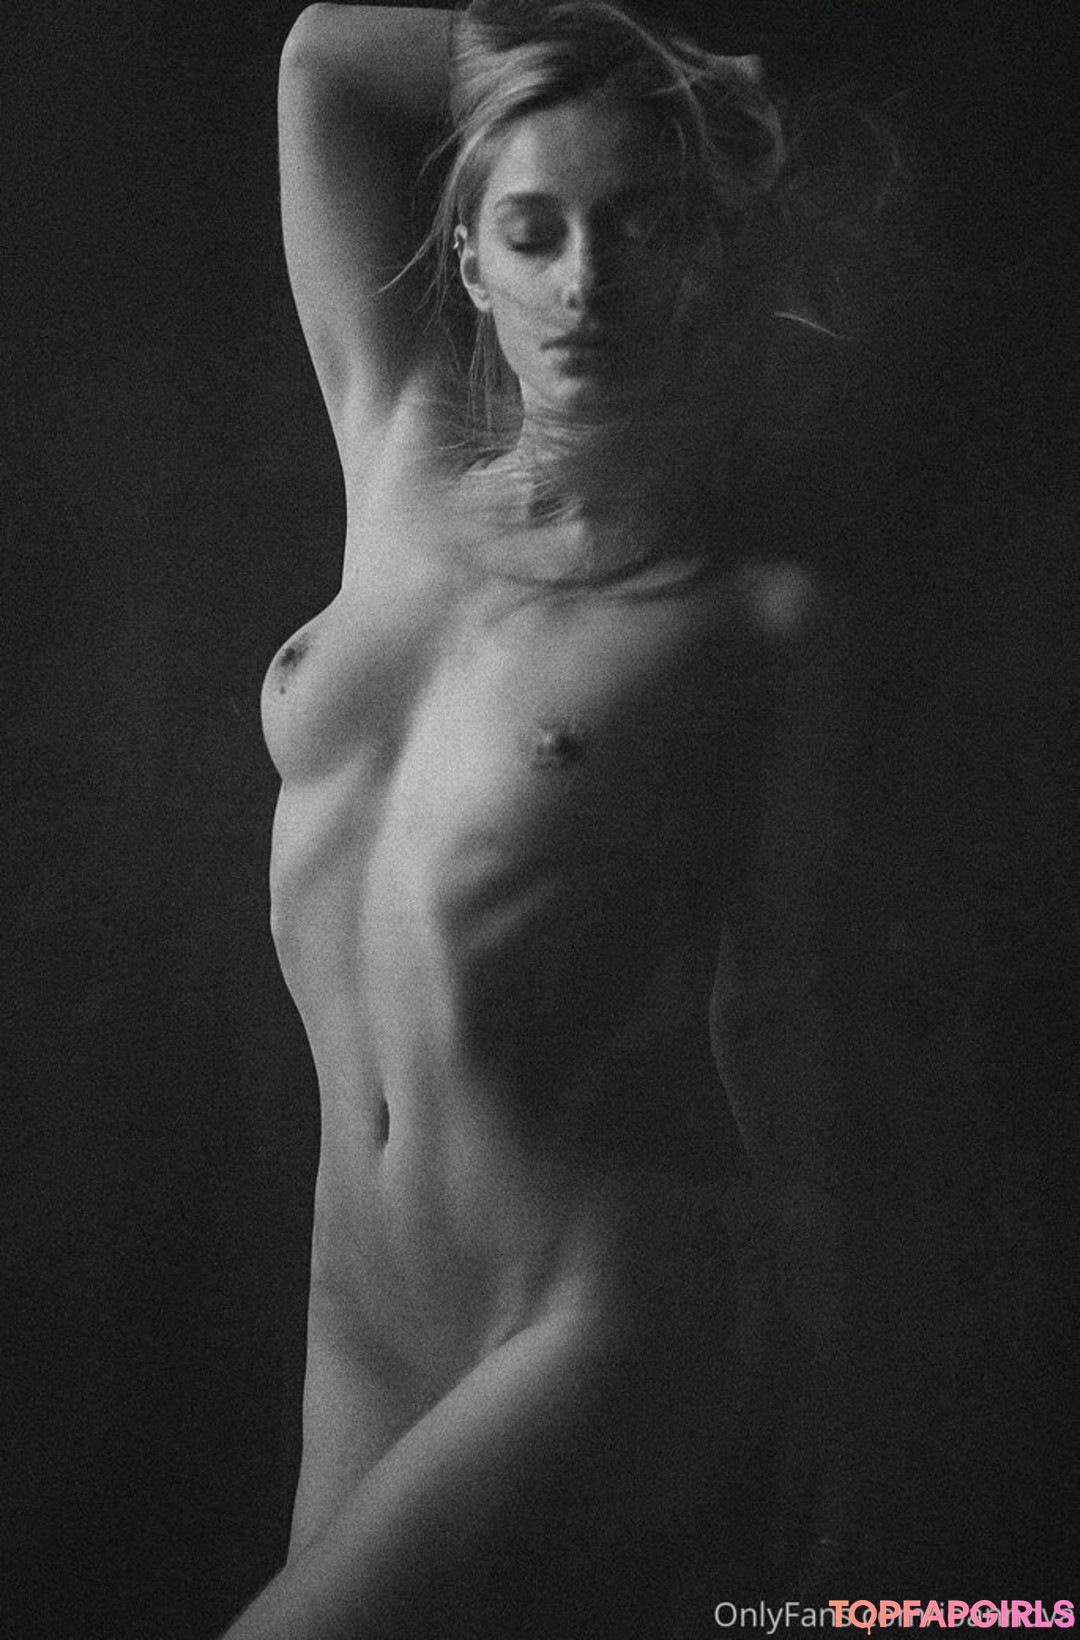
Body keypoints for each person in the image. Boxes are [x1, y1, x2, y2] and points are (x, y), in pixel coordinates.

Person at [226, 3, 856, 1634]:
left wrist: (809, 1388)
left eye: (639, 225)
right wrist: (617, 54)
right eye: (537, 228)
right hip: (361, 1312)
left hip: (597, 1312)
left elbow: (784, 1027)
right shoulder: (397, 460)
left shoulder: (753, 622)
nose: (586, 281)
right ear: (471, 255)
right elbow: (325, 61)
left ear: (700, 259)